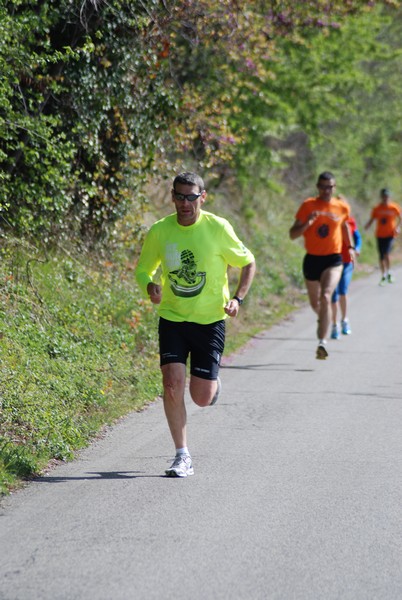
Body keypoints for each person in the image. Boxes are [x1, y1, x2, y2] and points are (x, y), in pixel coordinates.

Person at [135, 172, 256, 477]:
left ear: (203, 197)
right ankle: (181, 455)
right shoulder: (161, 231)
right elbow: (143, 269)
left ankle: (212, 386)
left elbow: (248, 262)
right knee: (172, 384)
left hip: (209, 321)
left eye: (191, 197)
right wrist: (150, 286)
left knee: (200, 397)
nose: (185, 203)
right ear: (172, 196)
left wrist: (238, 299)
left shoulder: (217, 228)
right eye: (179, 196)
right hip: (173, 319)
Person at [289, 171, 355, 360]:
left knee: (326, 296)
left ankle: (322, 342)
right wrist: (308, 223)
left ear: (335, 188)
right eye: (323, 186)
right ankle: (325, 319)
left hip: (334, 259)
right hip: (312, 259)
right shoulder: (308, 205)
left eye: (330, 187)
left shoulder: (341, 207)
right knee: (315, 303)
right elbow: (292, 234)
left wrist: (349, 247)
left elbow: (344, 227)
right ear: (318, 187)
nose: (327, 190)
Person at [330, 214, 362, 339]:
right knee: (333, 293)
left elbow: (357, 237)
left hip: (347, 262)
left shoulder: (350, 221)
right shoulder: (329, 220)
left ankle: (344, 320)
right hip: (332, 261)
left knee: (342, 290)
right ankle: (334, 325)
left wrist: (356, 249)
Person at [364, 188, 401, 285]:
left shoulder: (394, 207)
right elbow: (372, 219)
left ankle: (389, 272)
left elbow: (400, 218)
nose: (385, 198)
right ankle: (383, 275)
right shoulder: (377, 208)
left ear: (389, 196)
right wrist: (367, 225)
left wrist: (398, 227)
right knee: (381, 256)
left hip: (390, 234)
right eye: (384, 196)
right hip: (380, 234)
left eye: (387, 196)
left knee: (386, 253)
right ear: (381, 197)